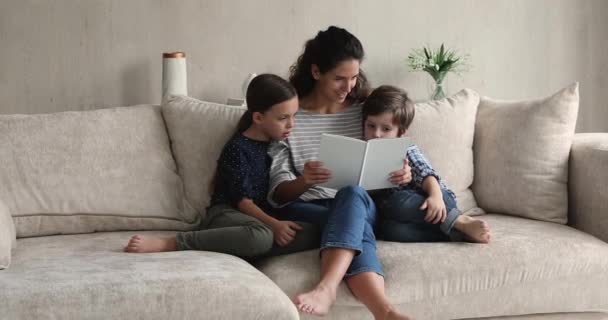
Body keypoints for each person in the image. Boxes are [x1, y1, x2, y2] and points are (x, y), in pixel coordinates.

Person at [269, 26, 412, 320]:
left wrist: (401, 172)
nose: (349, 86)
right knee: (354, 227)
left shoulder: (364, 111)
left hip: (359, 203)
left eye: (354, 77)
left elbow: (390, 148)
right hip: (307, 208)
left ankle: (327, 287)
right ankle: (384, 311)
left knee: (352, 196)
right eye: (339, 78)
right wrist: (304, 180)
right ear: (316, 71)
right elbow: (277, 194)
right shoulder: (288, 116)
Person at [124, 74, 314, 257]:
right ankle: (172, 243)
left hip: (258, 220)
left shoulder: (277, 146)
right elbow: (243, 203)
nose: (291, 124)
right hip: (226, 214)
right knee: (261, 235)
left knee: (313, 231)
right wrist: (274, 225)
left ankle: (243, 246)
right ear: (258, 118)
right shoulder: (238, 149)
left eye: (294, 116)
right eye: (283, 118)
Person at [362, 85, 491, 243]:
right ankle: (455, 231)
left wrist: (435, 196)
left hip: (437, 198)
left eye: (386, 129)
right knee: (391, 230)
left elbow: (425, 172)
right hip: (398, 213)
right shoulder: (363, 151)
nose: (376, 134)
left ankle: (458, 221)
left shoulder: (406, 148)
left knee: (398, 201)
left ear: (401, 132)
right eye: (371, 126)